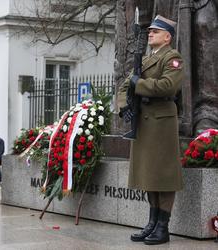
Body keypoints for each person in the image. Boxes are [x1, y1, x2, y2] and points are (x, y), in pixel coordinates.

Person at [118, 15, 184, 245]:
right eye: (150, 31)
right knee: (149, 175)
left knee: (163, 177)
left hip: (161, 123)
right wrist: (124, 105)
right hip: (144, 124)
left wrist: (140, 85)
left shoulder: (172, 58)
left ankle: (163, 227)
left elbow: (169, 86)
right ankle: (152, 223)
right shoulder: (145, 60)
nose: (150, 34)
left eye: (155, 31)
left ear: (167, 37)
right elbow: (125, 86)